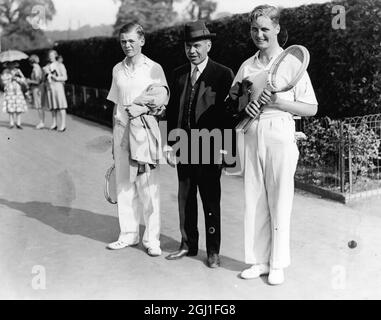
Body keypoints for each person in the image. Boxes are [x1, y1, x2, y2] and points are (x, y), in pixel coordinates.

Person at [230, 5, 318, 285]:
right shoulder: (247, 65)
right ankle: (258, 261)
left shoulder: (291, 62)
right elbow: (233, 102)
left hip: (280, 131)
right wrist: (245, 108)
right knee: (254, 198)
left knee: (279, 200)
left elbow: (311, 108)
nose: (259, 34)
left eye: (265, 29)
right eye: (255, 29)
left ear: (277, 29)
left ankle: (277, 263)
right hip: (252, 133)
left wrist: (279, 102)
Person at [164, 21, 234, 268]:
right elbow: (173, 112)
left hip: (211, 146)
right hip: (184, 146)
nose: (192, 51)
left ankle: (213, 251)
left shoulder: (223, 74)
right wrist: (170, 144)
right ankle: (187, 244)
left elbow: (229, 116)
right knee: (185, 197)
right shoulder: (178, 74)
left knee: (210, 200)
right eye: (188, 46)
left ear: (208, 45)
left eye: (196, 45)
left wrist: (226, 152)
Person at [106, 23, 169, 257]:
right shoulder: (117, 69)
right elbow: (115, 105)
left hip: (144, 133)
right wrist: (115, 139)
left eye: (131, 41)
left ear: (142, 41)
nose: (127, 45)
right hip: (121, 132)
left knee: (148, 187)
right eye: (123, 41)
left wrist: (158, 138)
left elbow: (162, 104)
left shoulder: (154, 68)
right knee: (124, 185)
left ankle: (152, 239)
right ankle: (128, 235)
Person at [42, 50, 68, 132]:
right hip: (50, 88)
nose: (50, 57)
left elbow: (65, 77)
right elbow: (43, 79)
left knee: (61, 106)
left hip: (58, 87)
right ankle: (54, 124)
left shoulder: (60, 65)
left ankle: (63, 125)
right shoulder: (46, 66)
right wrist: (45, 75)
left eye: (52, 55)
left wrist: (55, 77)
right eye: (49, 55)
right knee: (53, 107)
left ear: (55, 56)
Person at [1, 62, 28, 129]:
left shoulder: (18, 71)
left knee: (18, 106)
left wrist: (17, 79)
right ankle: (11, 123)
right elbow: (3, 81)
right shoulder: (5, 71)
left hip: (17, 90)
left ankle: (18, 123)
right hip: (10, 90)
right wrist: (10, 78)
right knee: (10, 107)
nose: (11, 65)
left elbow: (23, 79)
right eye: (9, 64)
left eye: (12, 64)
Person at [26, 55, 44, 129]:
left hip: (37, 89)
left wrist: (29, 81)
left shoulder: (35, 69)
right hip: (37, 88)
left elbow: (38, 81)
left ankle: (41, 122)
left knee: (39, 106)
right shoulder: (37, 67)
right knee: (39, 106)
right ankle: (41, 121)